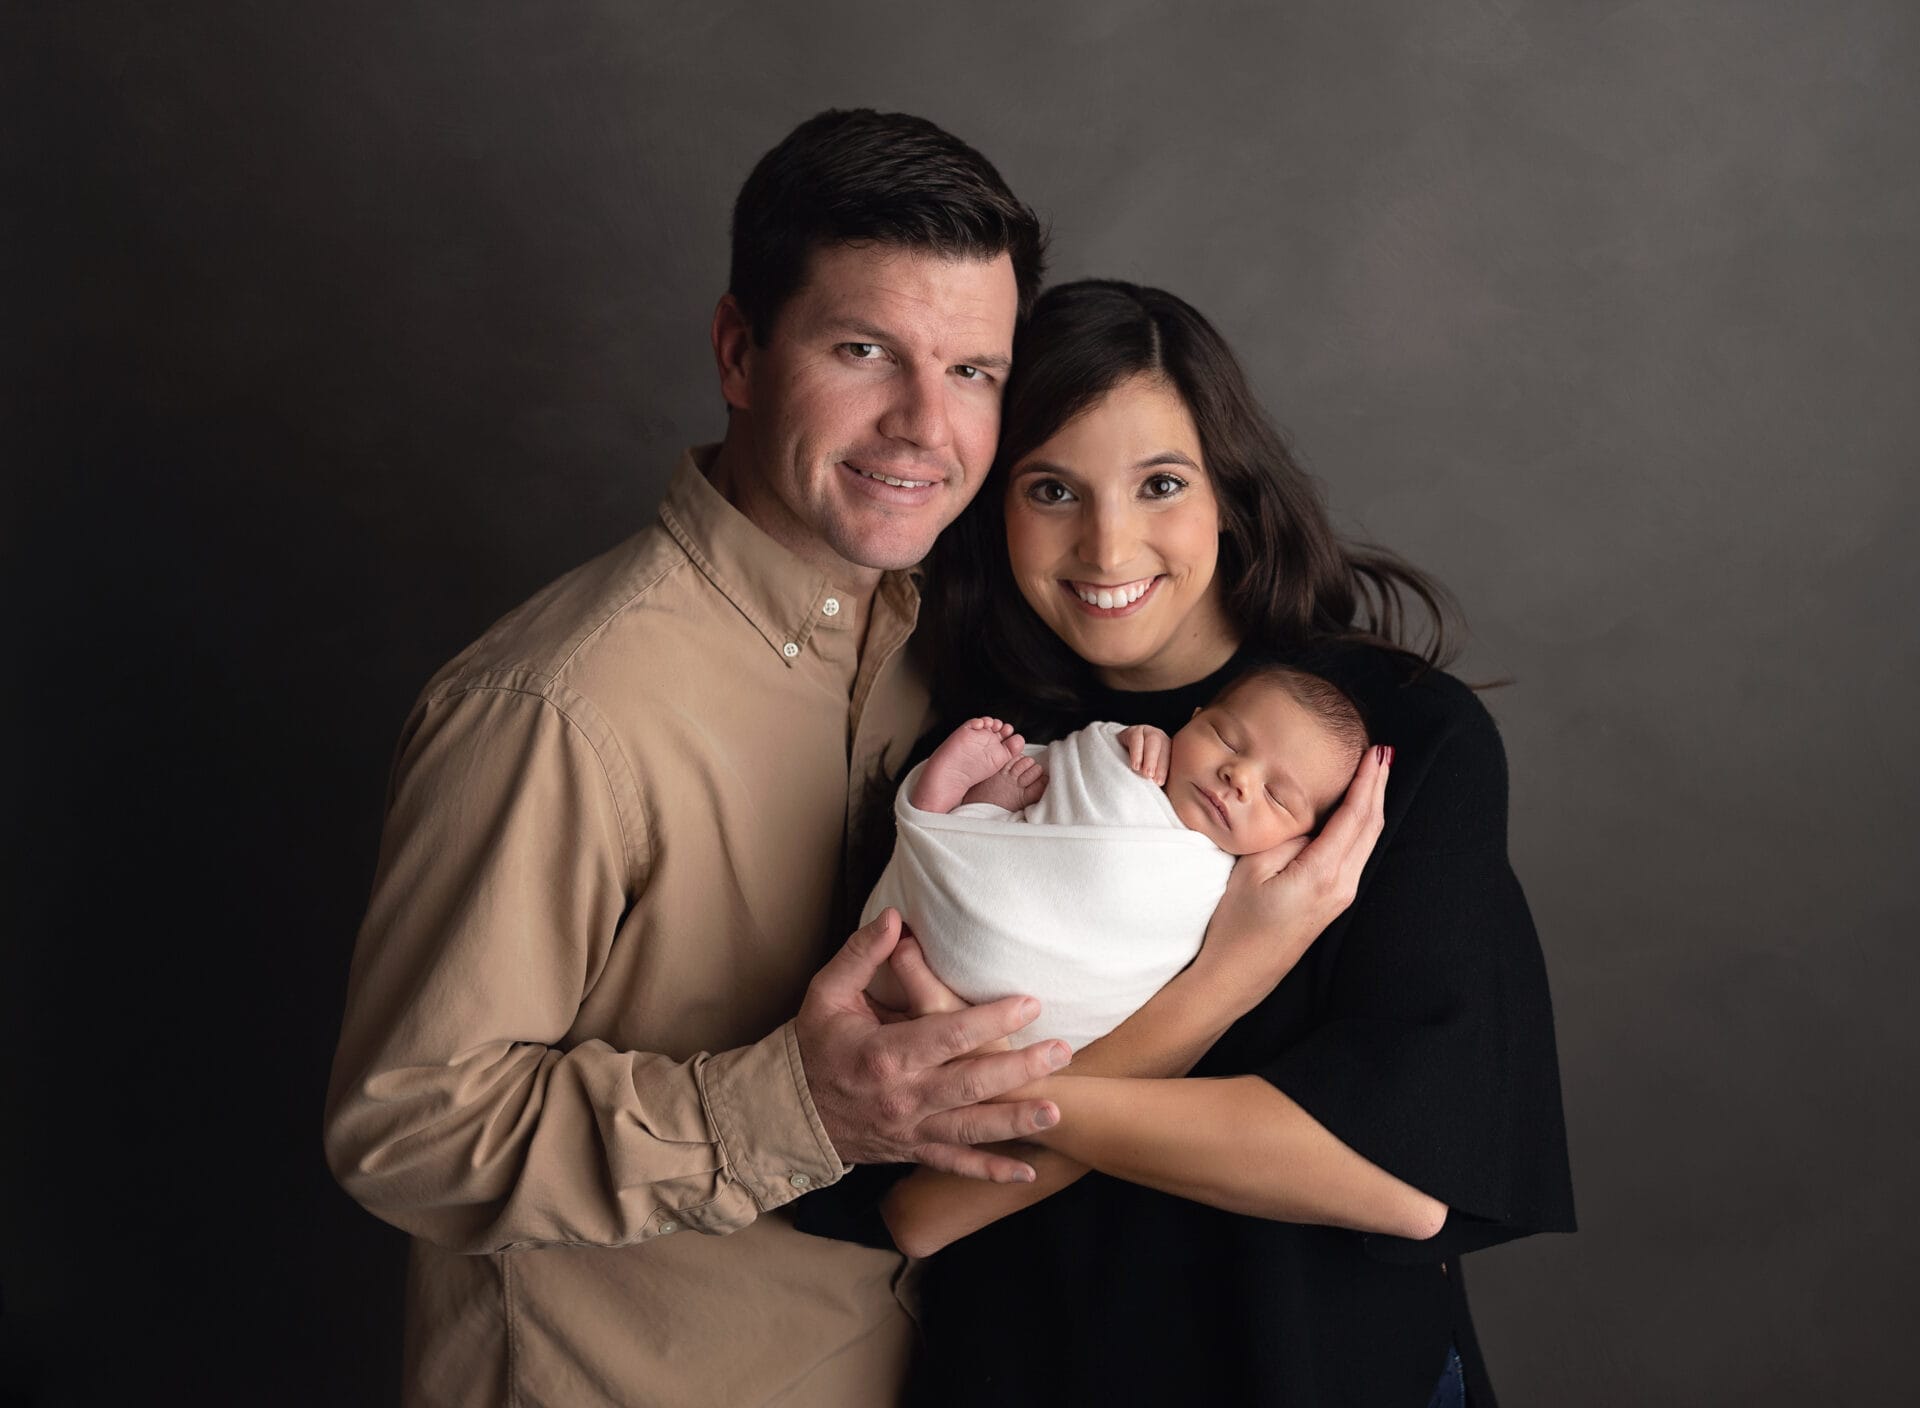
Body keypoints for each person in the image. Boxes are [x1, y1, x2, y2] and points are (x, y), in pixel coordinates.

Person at [321, 109, 1074, 1408]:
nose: (922, 426)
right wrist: (800, 1111)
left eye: (973, 374)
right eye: (862, 351)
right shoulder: (558, 704)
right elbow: (409, 1128)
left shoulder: (941, 646)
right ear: (739, 351)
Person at [817, 279, 1576, 1407]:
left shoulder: (1394, 740)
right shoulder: (980, 768)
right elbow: (925, 1213)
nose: (1107, 542)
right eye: (1051, 488)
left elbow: (1400, 1180)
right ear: (994, 506)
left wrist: (1000, 1098)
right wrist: (1233, 972)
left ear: (1228, 489)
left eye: (1160, 483)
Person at [864, 665, 1371, 1051]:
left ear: (1301, 839)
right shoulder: (1130, 759)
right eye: (1225, 739)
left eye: (1278, 797)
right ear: (1191, 721)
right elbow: (1078, 765)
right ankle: (966, 813)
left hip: (1028, 1002)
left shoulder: (1235, 882)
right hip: (961, 895)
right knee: (1028, 796)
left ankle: (961, 818)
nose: (1239, 776)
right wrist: (1131, 738)